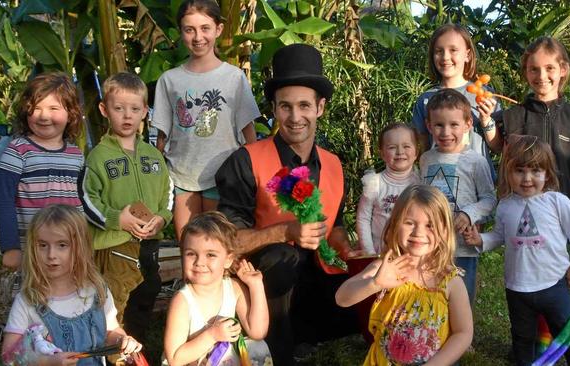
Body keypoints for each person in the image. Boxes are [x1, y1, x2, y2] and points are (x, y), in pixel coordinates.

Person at [215, 43, 358, 365]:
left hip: (316, 275)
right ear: (274, 109)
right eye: (285, 107)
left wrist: (352, 251)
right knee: (283, 257)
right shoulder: (245, 161)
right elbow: (226, 241)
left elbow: (336, 228)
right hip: (262, 280)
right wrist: (285, 231)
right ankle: (277, 351)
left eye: (304, 106)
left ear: (320, 107)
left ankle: (307, 334)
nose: (295, 117)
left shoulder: (334, 165)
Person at [463, 135, 570, 365]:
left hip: (554, 285)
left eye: (535, 171)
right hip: (517, 289)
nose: (527, 178)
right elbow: (500, 236)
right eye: (519, 170)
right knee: (522, 339)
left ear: (547, 174)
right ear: (508, 173)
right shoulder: (506, 205)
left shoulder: (556, 202)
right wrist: (479, 239)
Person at [152, 0, 260, 240]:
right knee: (187, 243)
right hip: (181, 175)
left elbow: (248, 130)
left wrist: (253, 176)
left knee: (217, 247)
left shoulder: (234, 78)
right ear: (180, 32)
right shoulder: (169, 80)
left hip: (223, 176)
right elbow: (162, 135)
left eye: (205, 28)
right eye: (189, 29)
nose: (198, 36)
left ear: (218, 29)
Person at [80, 72, 173, 346]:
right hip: (114, 245)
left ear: (145, 111)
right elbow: (86, 197)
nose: (127, 115)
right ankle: (111, 353)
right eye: (118, 108)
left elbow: (168, 193)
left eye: (134, 109)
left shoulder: (154, 156)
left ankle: (137, 348)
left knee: (147, 291)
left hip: (148, 244)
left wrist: (162, 218)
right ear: (104, 110)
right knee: (114, 300)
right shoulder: (98, 156)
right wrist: (115, 218)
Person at [336, 185, 473, 365]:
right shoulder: (385, 268)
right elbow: (342, 297)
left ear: (445, 231)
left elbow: (463, 333)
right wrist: (374, 284)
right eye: (409, 223)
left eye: (430, 225)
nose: (419, 233)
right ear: (394, 225)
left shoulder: (450, 281)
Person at [1, 205, 142, 365]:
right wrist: (46, 362)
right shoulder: (27, 301)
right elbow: (10, 356)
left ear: (80, 248)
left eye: (62, 245)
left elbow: (110, 331)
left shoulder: (97, 291)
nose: (51, 255)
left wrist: (121, 340)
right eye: (43, 245)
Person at [493, 36, 570, 244]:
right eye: (534, 69)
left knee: (569, 273)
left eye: (550, 68)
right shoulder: (512, 117)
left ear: (563, 70)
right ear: (526, 72)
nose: (542, 76)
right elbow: (503, 160)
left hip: (565, 217)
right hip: (526, 218)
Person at [0, 72, 85, 270]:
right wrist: (10, 248)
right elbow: (3, 200)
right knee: (33, 298)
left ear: (70, 113)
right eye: (36, 109)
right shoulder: (18, 151)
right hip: (33, 253)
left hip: (70, 251)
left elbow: (81, 201)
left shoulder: (75, 154)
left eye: (53, 108)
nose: (44, 116)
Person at [418, 89, 496, 304]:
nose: (445, 132)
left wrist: (469, 214)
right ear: (428, 125)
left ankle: (463, 337)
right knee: (431, 297)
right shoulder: (425, 159)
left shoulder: (476, 161)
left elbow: (490, 200)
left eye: (454, 125)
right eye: (439, 125)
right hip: (429, 245)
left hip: (462, 247)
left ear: (468, 124)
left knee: (460, 300)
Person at [163, 212, 271, 365]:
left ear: (228, 260)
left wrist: (256, 286)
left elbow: (257, 332)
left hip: (223, 359)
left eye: (211, 255)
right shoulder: (182, 301)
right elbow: (174, 358)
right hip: (191, 362)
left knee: (258, 348)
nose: (199, 262)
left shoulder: (234, 288)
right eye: (191, 254)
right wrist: (212, 335)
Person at [412, 24, 501, 178]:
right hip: (440, 182)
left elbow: (498, 146)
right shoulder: (425, 100)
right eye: (439, 51)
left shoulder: (485, 95)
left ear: (467, 55)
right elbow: (423, 150)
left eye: (453, 50)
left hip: (478, 183)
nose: (445, 57)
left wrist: (486, 120)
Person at [356, 123, 420, 255]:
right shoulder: (374, 183)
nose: (400, 152)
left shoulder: (421, 183)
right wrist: (369, 252)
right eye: (392, 147)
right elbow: (363, 218)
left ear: (416, 152)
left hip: (411, 254)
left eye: (406, 146)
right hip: (380, 253)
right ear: (382, 154)